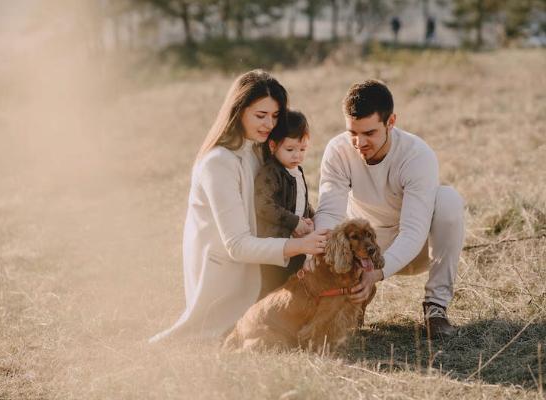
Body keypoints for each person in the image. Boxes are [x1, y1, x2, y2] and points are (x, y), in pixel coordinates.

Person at [149, 70, 329, 343]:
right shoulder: (218, 162)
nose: (270, 123)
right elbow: (237, 245)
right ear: (239, 110)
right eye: (261, 115)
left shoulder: (258, 150)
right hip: (228, 280)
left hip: (264, 268)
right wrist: (302, 246)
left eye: (275, 116)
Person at [314, 79, 465, 339]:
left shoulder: (417, 155)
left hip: (415, 247)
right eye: (353, 133)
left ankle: (436, 308)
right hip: (362, 247)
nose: (359, 142)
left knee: (449, 199)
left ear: (391, 122)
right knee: (325, 229)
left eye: (369, 133)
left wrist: (377, 273)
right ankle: (351, 301)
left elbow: (413, 230)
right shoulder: (338, 150)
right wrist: (321, 256)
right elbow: (329, 213)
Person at [254, 110, 315, 299]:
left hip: (296, 245)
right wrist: (295, 222)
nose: (297, 155)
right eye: (290, 150)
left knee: (294, 285)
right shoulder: (271, 172)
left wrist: (310, 217)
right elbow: (263, 205)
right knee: (272, 289)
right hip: (275, 247)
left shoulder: (297, 170)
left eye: (302, 149)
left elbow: (300, 200)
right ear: (273, 146)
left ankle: (291, 319)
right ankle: (264, 323)